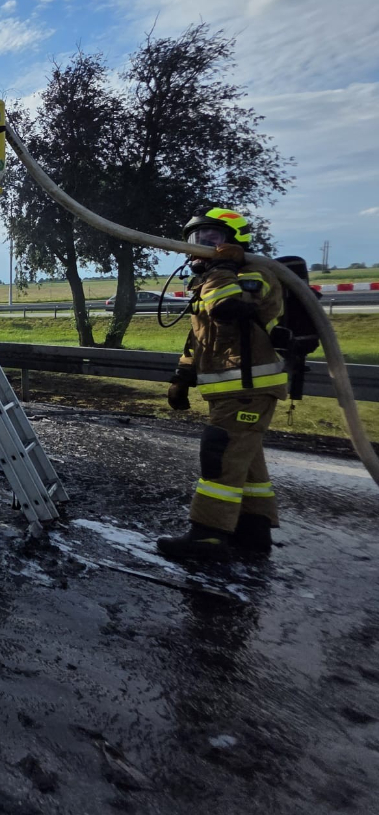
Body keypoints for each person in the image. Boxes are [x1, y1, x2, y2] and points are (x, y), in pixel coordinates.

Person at [157, 208, 287, 562]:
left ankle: (208, 536)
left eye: (210, 239)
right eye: (195, 240)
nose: (199, 247)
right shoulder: (213, 281)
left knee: (220, 456)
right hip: (232, 391)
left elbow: (226, 309)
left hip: (249, 388)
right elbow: (199, 337)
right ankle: (254, 531)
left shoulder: (255, 274)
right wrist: (182, 376)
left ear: (234, 242)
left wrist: (220, 269)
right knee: (246, 463)